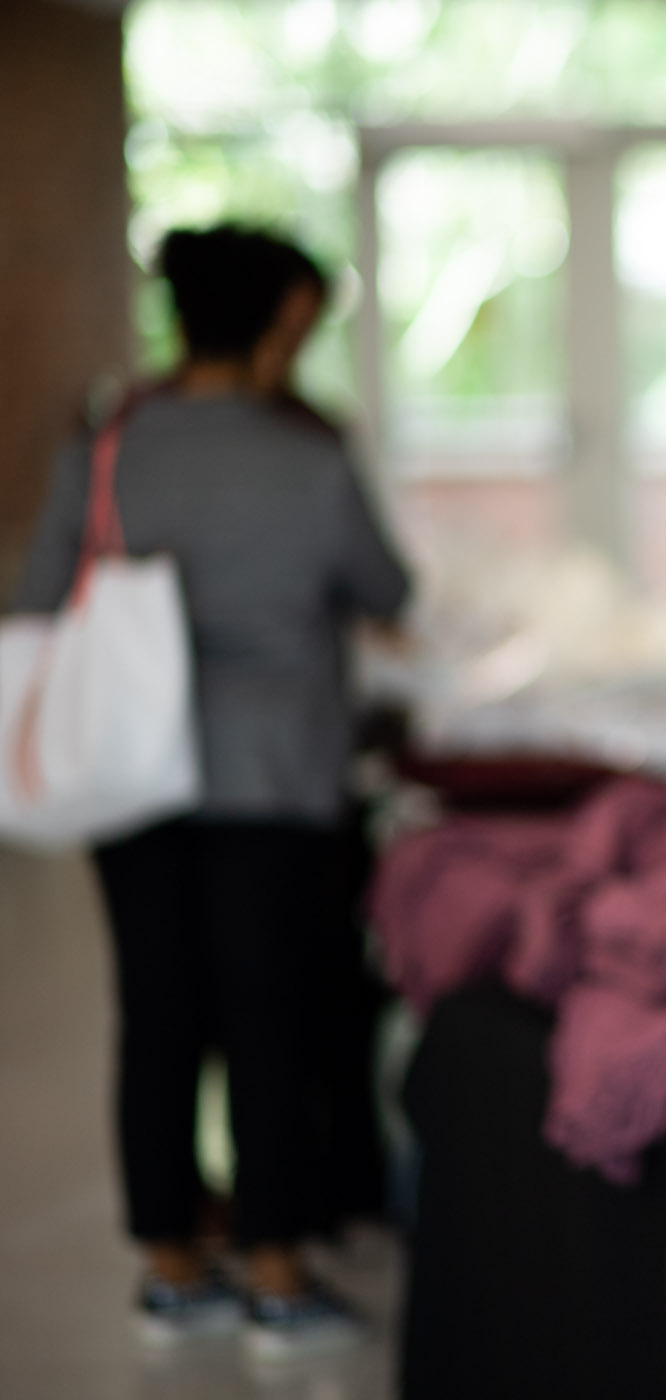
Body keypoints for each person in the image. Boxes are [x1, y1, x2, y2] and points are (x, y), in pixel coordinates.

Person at [13, 225, 411, 1360]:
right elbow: (387, 586)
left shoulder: (107, 443)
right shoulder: (309, 454)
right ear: (284, 315)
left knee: (158, 1012)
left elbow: (43, 590)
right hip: (274, 776)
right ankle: (279, 1268)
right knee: (271, 1017)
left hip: (133, 768)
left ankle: (171, 1263)